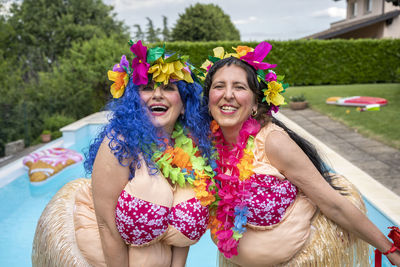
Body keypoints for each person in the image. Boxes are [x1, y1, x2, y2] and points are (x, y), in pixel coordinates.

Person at [200, 42, 400, 266]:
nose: (228, 95)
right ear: (208, 100)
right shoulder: (205, 146)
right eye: (219, 86)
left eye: (239, 87)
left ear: (256, 103)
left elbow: (333, 204)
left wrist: (390, 249)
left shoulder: (273, 142)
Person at [32, 40, 216, 267]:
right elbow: (107, 228)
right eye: (147, 87)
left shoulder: (189, 147)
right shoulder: (121, 143)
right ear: (134, 100)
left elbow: (181, 234)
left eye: (168, 87)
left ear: (185, 104)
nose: (157, 94)